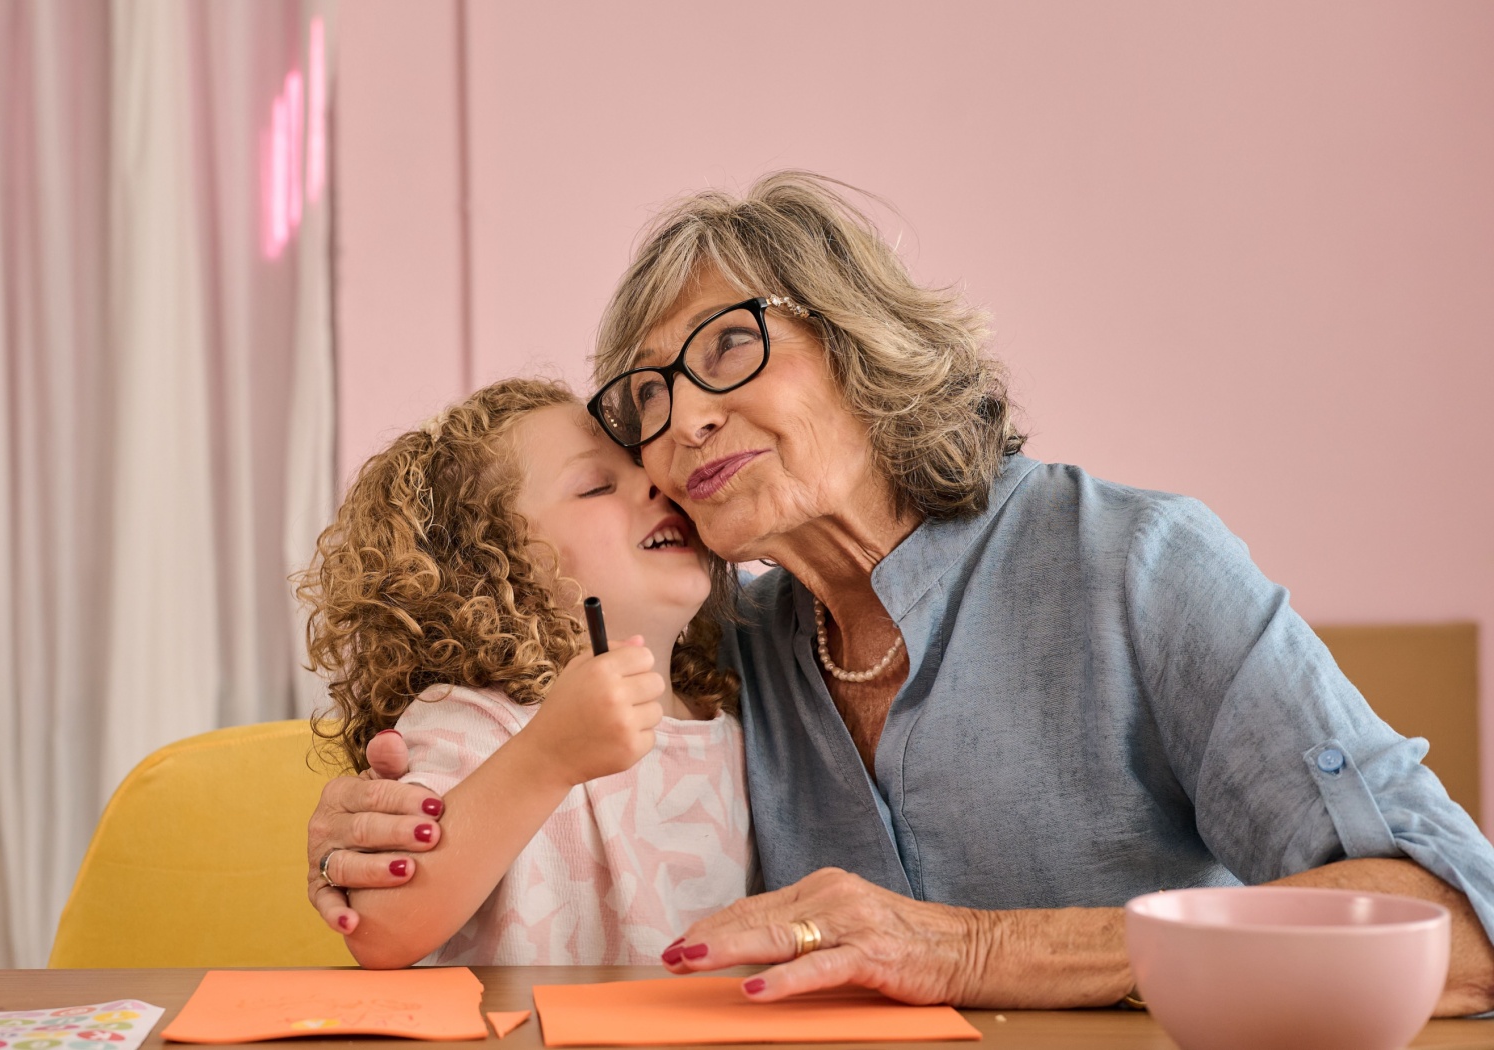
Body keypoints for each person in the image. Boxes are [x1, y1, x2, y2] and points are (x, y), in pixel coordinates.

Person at [305, 173, 1494, 1014]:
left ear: (863, 340)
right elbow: (506, 743)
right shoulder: (718, 662)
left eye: (725, 348)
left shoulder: (1140, 569)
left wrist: (973, 951)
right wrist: (359, 837)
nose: (685, 421)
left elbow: (1455, 931)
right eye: (644, 401)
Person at [295, 378, 750, 967]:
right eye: (595, 486)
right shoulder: (475, 724)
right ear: (490, 567)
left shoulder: (730, 724)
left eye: (640, 463)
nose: (659, 481)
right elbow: (381, 929)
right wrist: (548, 759)